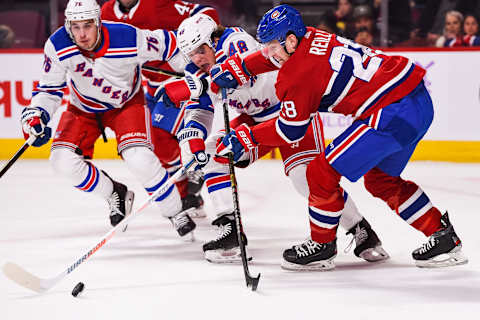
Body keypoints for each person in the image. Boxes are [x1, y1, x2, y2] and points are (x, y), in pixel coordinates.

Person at [209, 5, 468, 270]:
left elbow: (290, 130)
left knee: (320, 172)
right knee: (381, 181)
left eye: (272, 46)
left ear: (290, 40)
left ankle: (322, 246)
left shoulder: (298, 75)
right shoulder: (309, 35)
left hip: (391, 111)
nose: (268, 52)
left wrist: (247, 137)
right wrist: (240, 66)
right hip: (417, 101)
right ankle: (443, 236)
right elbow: (273, 57)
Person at [155, 14, 389, 265]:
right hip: (255, 120)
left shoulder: (235, 40)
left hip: (293, 113)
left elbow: (242, 76)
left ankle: (360, 230)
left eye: (201, 50)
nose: (197, 58)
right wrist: (193, 138)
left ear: (213, 39)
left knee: (306, 180)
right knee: (214, 152)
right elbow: (200, 110)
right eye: (190, 54)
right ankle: (230, 230)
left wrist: (194, 86)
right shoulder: (198, 71)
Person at [20, 0, 196, 238]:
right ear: (67, 25)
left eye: (88, 26)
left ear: (99, 22)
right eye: (75, 27)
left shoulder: (127, 37)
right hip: (83, 108)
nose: (82, 35)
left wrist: (193, 73)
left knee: (140, 160)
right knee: (60, 162)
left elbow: (171, 45)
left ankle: (175, 212)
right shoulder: (58, 44)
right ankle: (115, 193)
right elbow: (49, 89)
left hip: (126, 105)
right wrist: (36, 113)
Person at [100, 0, 221, 217]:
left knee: (167, 135)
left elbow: (205, 13)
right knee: (158, 144)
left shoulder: (158, 3)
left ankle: (194, 171)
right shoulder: (107, 12)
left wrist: (193, 45)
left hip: (180, 83)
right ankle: (189, 195)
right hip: (150, 87)